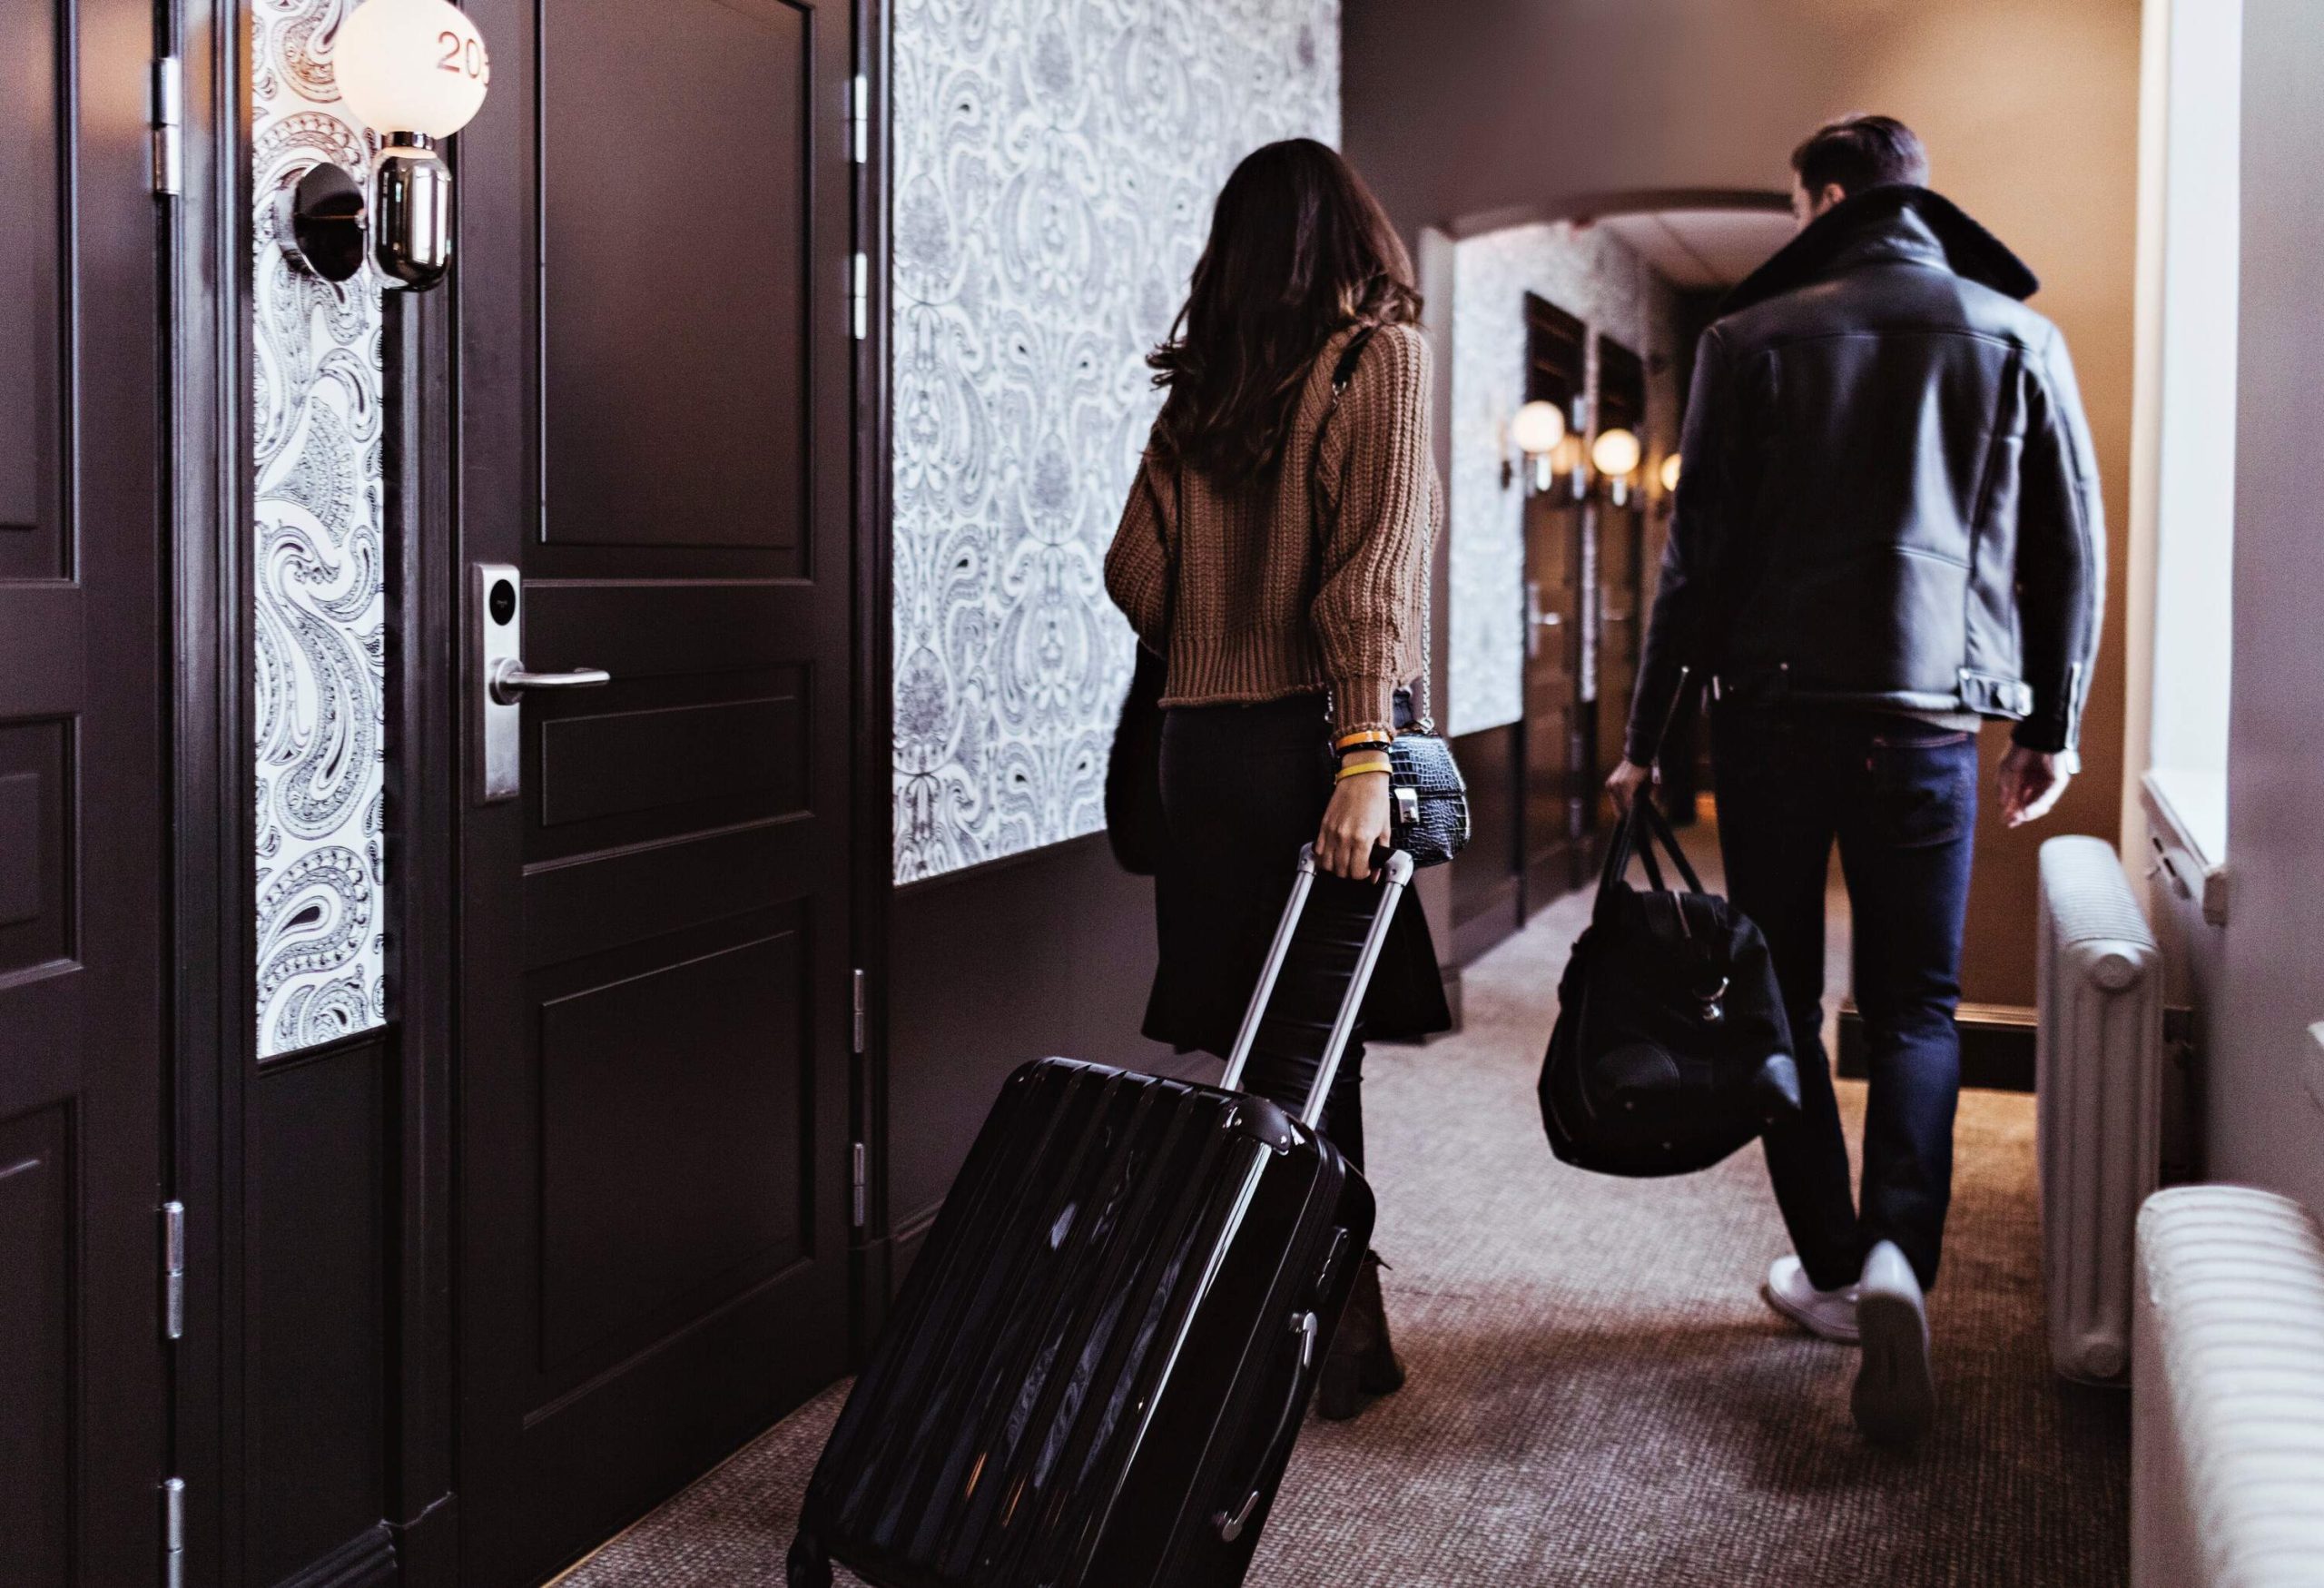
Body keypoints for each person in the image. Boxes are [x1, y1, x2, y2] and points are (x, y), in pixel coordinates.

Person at [1608, 113, 2103, 1444]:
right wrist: (2050, 721)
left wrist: (1648, 735)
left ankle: (1830, 1264)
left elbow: (1692, 563)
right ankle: (1898, 1260)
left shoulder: (1747, 340)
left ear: (1822, 197)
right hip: (1935, 725)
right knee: (1918, 1008)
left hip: (1771, 721)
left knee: (1775, 988)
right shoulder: (2016, 336)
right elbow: (2071, 550)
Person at [1104, 137, 1452, 1421]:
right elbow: (1373, 585)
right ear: (1356, 239)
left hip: (1204, 755)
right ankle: (1319, 1338)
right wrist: (1364, 751)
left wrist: (1221, 616)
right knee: (1321, 1055)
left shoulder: (1199, 398)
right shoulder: (1382, 363)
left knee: (1260, 1059)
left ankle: (1284, 1325)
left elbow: (1131, 573)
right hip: (1315, 751)